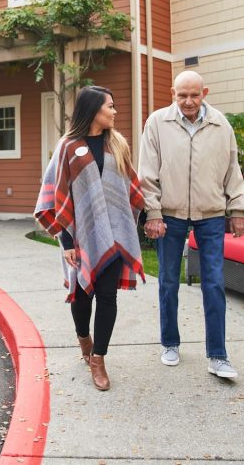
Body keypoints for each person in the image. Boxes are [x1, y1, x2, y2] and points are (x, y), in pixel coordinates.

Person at [34, 85, 146, 391]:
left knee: (108, 297)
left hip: (115, 236)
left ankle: (98, 359)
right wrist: (67, 242)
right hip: (80, 237)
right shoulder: (69, 146)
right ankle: (84, 338)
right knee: (83, 297)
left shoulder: (117, 144)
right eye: (109, 106)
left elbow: (130, 188)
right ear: (93, 109)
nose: (114, 111)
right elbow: (54, 195)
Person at [138, 70, 244, 379]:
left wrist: (237, 208)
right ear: (172, 93)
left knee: (213, 283)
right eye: (181, 95)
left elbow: (232, 168)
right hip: (169, 214)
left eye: (194, 95)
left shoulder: (220, 124)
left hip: (211, 214)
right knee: (169, 281)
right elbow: (147, 172)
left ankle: (218, 355)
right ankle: (170, 343)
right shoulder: (157, 123)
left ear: (205, 93)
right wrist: (154, 213)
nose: (188, 101)